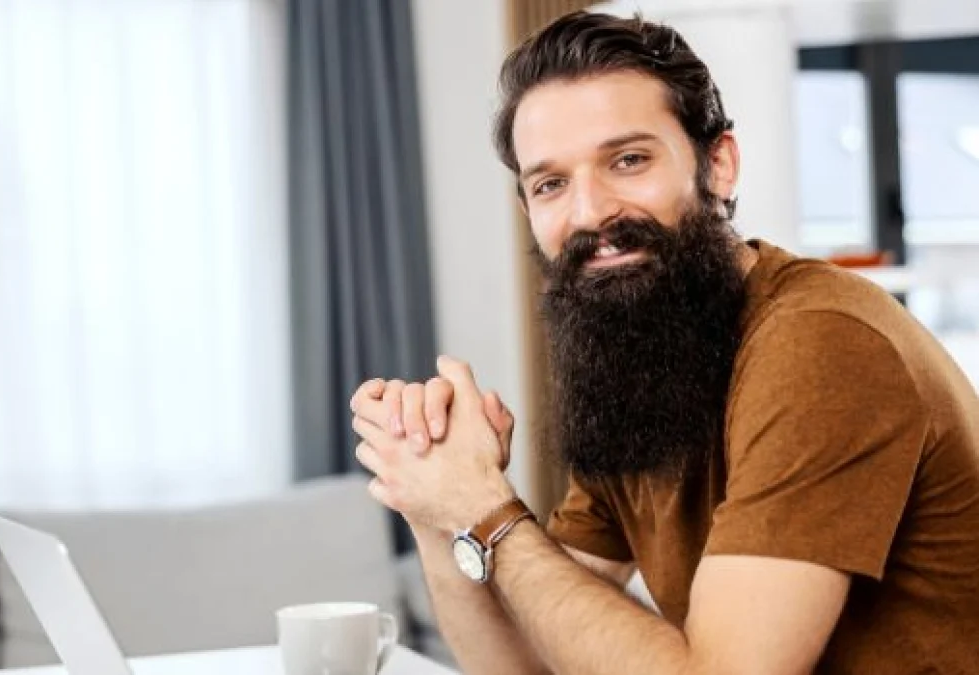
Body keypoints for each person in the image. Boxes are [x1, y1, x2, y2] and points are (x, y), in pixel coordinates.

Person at [348, 10, 979, 674]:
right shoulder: (644, 349)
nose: (590, 212)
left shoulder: (821, 342)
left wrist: (483, 507)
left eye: (629, 159)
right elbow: (522, 662)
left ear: (719, 164)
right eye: (551, 183)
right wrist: (428, 491)